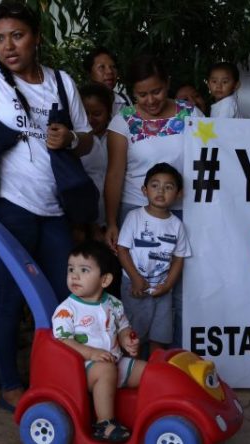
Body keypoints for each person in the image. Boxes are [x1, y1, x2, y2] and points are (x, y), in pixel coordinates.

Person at [0, 0, 94, 411]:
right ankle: (11, 386)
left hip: (55, 211)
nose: (8, 46)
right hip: (5, 209)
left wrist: (71, 139)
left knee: (66, 300)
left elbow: (87, 140)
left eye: (17, 36)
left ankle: (61, 381)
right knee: (6, 298)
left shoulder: (61, 82)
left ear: (36, 38)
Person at [105, 55, 202, 349]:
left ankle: (177, 358)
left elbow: (210, 158)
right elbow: (115, 173)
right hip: (136, 213)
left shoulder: (190, 114)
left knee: (180, 290)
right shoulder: (123, 121)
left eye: (156, 91)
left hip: (184, 212)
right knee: (138, 287)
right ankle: (137, 358)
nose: (150, 100)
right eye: (142, 94)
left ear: (168, 84)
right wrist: (111, 221)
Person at [52, 240, 144, 442]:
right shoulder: (67, 310)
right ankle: (104, 424)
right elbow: (62, 341)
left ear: (105, 280)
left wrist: (127, 340)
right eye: (71, 269)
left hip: (115, 361)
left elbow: (123, 328)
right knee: (106, 370)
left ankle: (146, 413)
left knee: (146, 371)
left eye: (84, 270)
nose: (74, 276)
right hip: (82, 369)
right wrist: (91, 353)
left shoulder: (114, 304)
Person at [116, 163, 191, 353]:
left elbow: (179, 259)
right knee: (133, 337)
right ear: (144, 190)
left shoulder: (177, 225)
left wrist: (167, 286)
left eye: (168, 187)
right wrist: (135, 279)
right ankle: (134, 368)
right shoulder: (134, 217)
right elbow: (122, 250)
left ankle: (155, 368)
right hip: (134, 286)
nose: (161, 191)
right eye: (155, 185)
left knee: (160, 337)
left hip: (162, 290)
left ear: (179, 194)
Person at [79, 82, 115, 237]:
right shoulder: (75, 142)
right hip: (84, 222)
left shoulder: (118, 137)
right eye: (85, 113)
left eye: (97, 113)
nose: (90, 119)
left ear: (109, 112)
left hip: (116, 219)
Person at [84, 47, 132, 115]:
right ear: (89, 73)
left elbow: (133, 122)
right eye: (102, 67)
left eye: (113, 67)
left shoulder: (124, 101)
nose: (110, 71)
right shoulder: (81, 103)